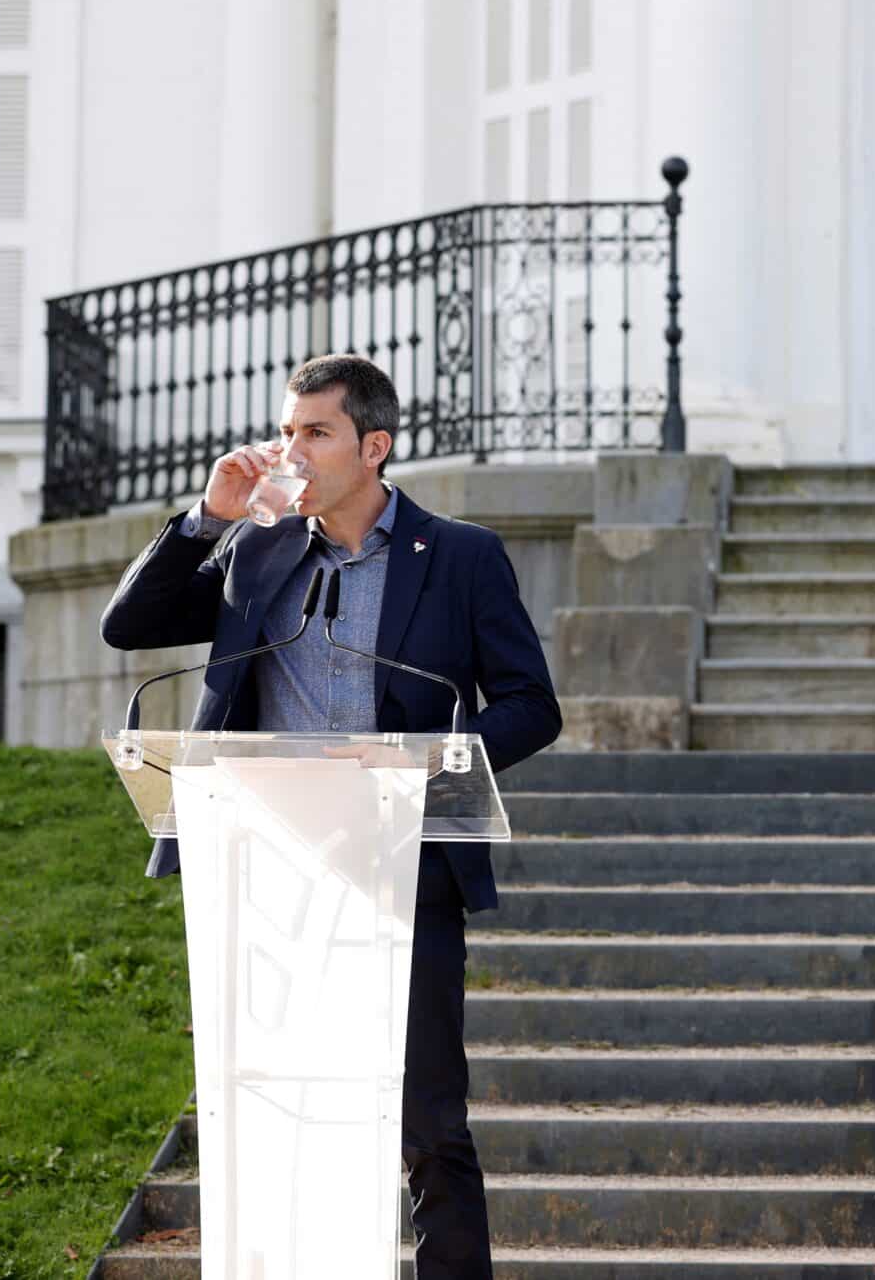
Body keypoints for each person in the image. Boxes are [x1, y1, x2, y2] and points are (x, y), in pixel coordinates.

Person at [101, 353, 561, 1279]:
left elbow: (531, 704)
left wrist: (415, 766)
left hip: (404, 864)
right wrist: (206, 519)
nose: (291, 450)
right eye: (287, 430)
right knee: (282, 1118)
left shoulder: (461, 555)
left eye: (316, 432)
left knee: (430, 1123)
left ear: (374, 446)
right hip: (270, 872)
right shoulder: (257, 547)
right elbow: (128, 623)